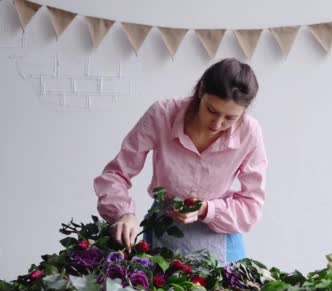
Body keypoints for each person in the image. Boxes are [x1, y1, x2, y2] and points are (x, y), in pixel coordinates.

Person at [93, 58, 267, 265]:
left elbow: (251, 205)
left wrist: (205, 209)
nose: (218, 123)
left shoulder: (249, 132)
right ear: (201, 90)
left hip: (220, 233)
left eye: (230, 118)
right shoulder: (162, 114)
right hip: (164, 232)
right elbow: (115, 174)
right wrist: (123, 213)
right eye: (211, 110)